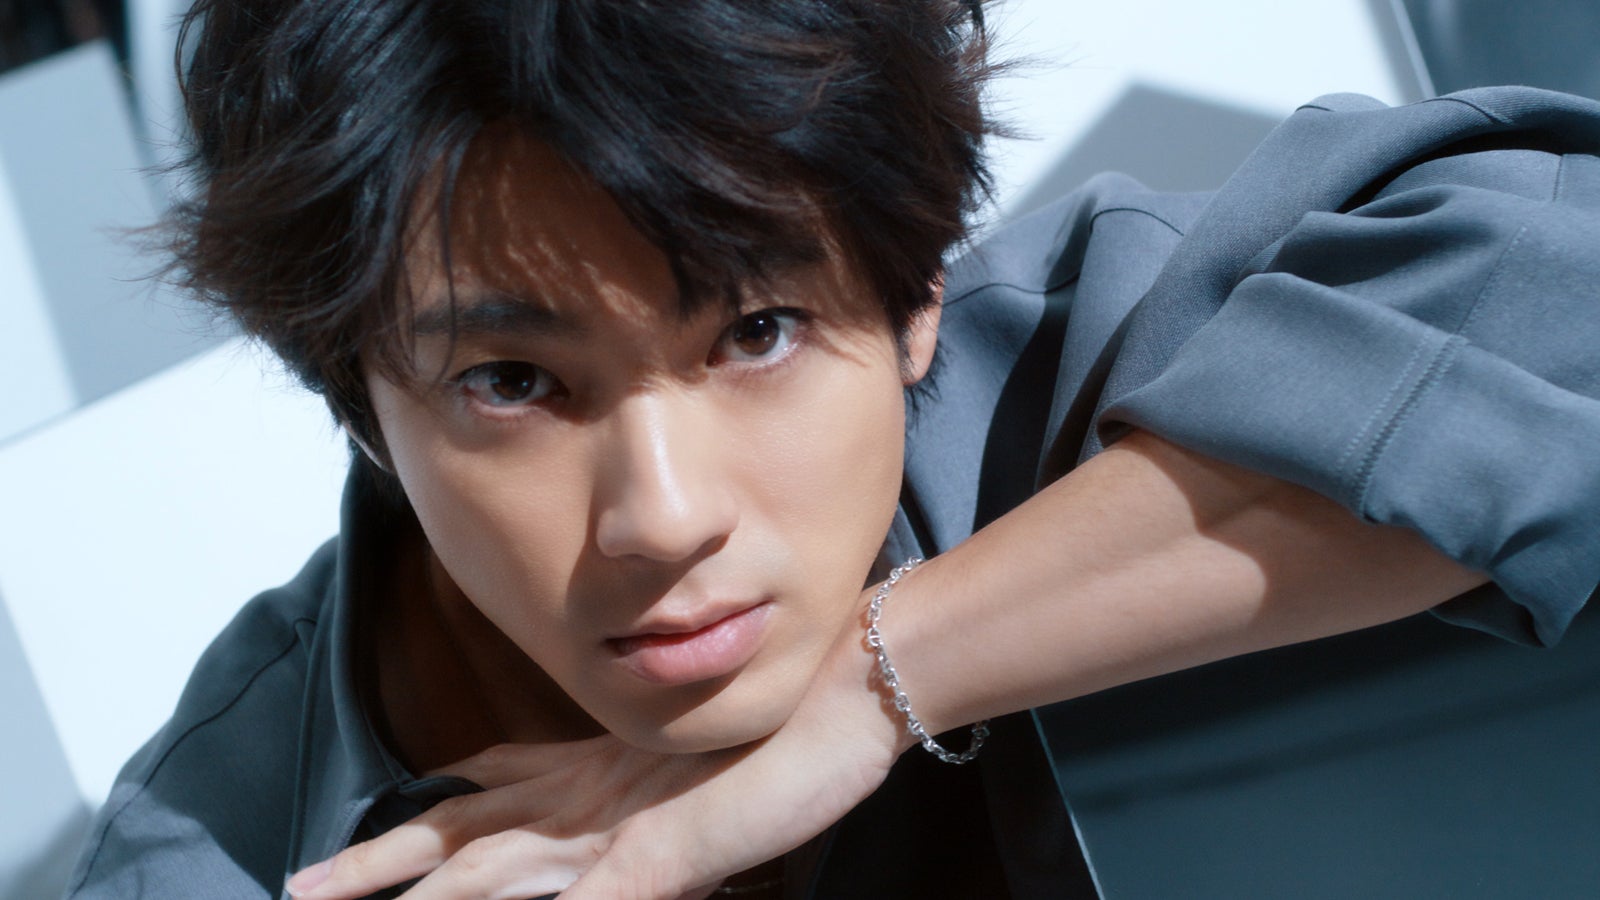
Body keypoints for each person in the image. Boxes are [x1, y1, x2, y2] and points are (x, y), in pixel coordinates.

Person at [65, 0, 1600, 897]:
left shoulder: (1080, 358)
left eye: (757, 334)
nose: (662, 518)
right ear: (358, 406)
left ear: (915, 291)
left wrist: (883, 676)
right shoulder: (231, 847)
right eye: (514, 383)